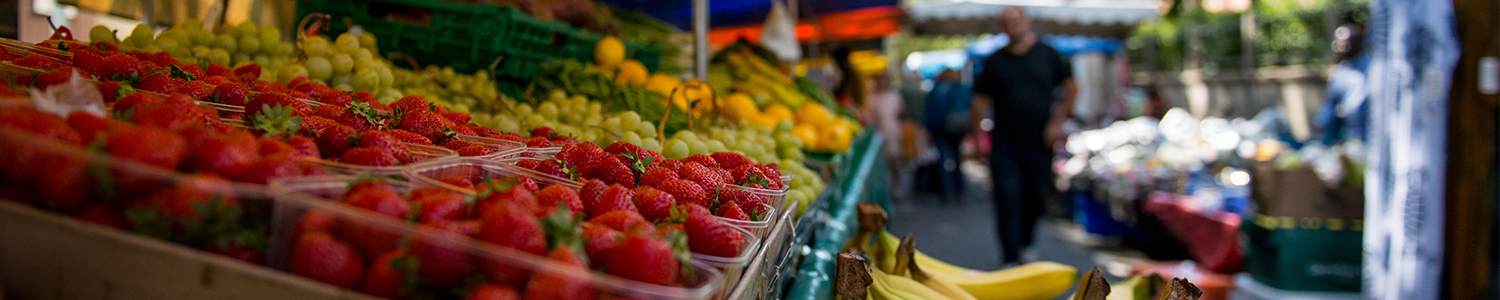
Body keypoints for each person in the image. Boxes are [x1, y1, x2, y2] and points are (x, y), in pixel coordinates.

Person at [970, 7, 1077, 265]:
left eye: (1016, 20)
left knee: (1035, 197)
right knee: (1007, 198)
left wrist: (1056, 122)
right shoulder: (994, 61)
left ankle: (1026, 243)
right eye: (1007, 22)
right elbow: (979, 101)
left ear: (1027, 22)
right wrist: (976, 139)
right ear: (1002, 27)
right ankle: (1009, 255)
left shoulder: (1047, 55)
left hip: (1039, 141)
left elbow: (1071, 88)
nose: (1013, 26)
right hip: (1005, 143)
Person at [924, 69, 971, 201]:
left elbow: (930, 110)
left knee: (943, 159)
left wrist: (930, 129)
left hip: (941, 129)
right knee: (956, 158)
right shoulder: (961, 88)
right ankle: (959, 189)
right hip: (957, 128)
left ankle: (946, 190)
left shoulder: (937, 89)